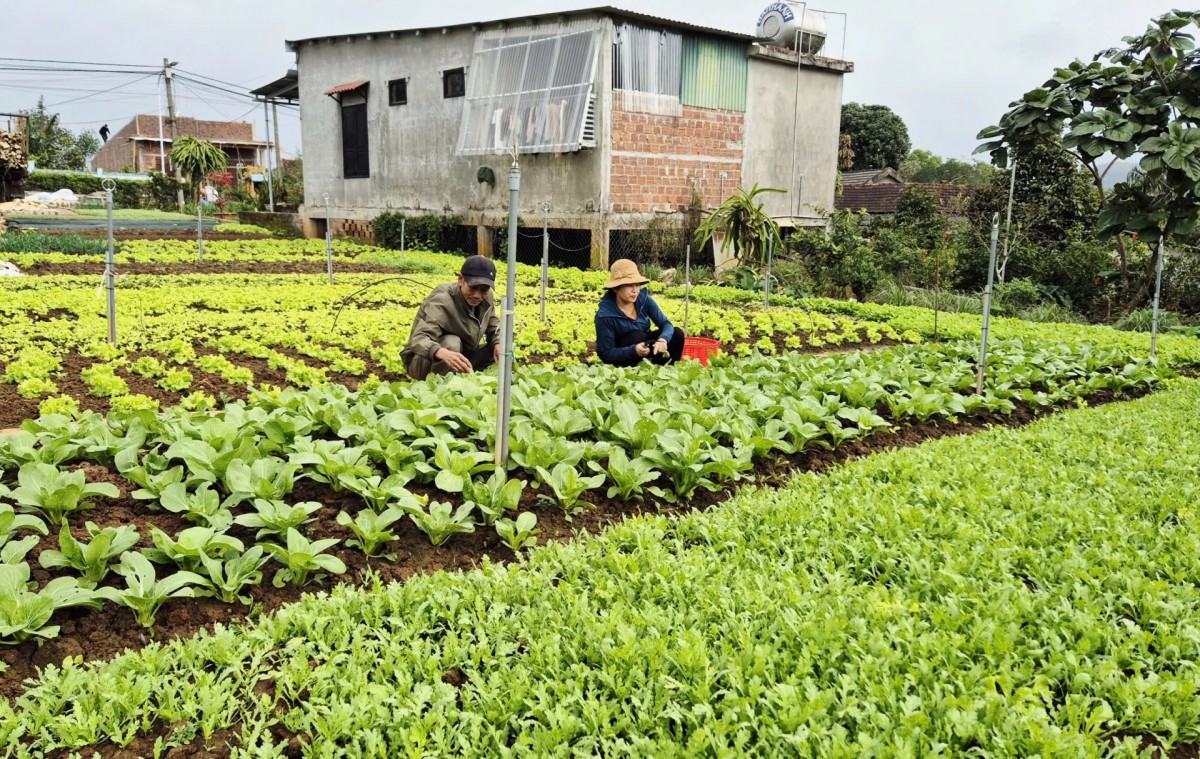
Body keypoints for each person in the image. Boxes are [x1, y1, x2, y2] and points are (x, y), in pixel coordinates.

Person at [402, 255, 501, 380]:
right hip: (423, 361)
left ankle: (466, 379)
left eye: (484, 289)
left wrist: (498, 342)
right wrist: (440, 352)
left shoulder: (487, 296)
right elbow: (419, 339)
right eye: (473, 287)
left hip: (463, 355)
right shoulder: (441, 301)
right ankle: (438, 385)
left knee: (499, 349)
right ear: (461, 279)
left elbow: (493, 323)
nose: (477, 295)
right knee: (451, 343)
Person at [594, 259, 685, 367]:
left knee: (677, 334)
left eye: (637, 285)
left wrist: (663, 340)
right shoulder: (604, 315)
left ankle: (661, 370)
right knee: (635, 336)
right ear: (615, 288)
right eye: (629, 285)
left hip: (643, 346)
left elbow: (665, 323)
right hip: (622, 356)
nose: (635, 290)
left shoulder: (644, 299)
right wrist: (634, 350)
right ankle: (635, 373)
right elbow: (606, 353)